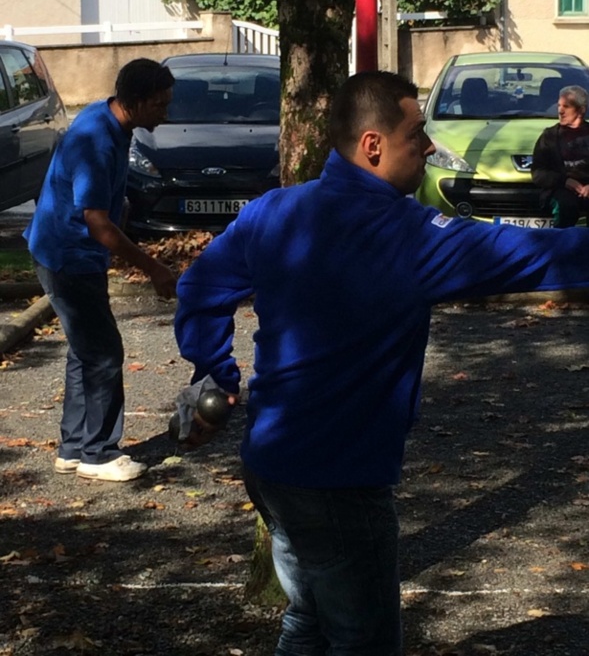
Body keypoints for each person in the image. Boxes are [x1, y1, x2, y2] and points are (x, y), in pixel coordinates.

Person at [174, 71, 589, 656]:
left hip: (273, 465)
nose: (428, 146)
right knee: (363, 638)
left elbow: (199, 288)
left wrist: (216, 374)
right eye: (417, 133)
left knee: (310, 618)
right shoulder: (408, 235)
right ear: (373, 145)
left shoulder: (274, 211)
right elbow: (543, 256)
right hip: (340, 481)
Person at [24, 58, 177, 483]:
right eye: (161, 105)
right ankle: (99, 452)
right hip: (67, 256)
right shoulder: (96, 140)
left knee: (85, 351)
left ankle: (74, 448)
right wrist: (154, 268)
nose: (166, 112)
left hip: (65, 251)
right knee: (105, 353)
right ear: (138, 102)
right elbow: (96, 221)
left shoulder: (107, 117)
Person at [531, 85, 589, 227]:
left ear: (581, 110)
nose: (560, 111)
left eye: (566, 106)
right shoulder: (549, 136)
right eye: (559, 105)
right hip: (559, 190)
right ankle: (561, 246)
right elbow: (538, 172)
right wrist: (565, 181)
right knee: (565, 206)